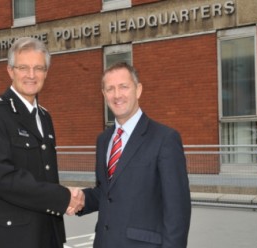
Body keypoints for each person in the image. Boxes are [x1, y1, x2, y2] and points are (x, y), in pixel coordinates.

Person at [0, 37, 84, 248]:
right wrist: (63, 197)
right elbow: (3, 178)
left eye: (38, 68)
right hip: (9, 239)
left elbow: (46, 175)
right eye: (23, 68)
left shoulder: (44, 117)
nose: (31, 75)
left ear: (46, 73)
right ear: (10, 71)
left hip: (47, 234)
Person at [79, 62, 191, 247]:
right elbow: (107, 193)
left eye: (124, 87)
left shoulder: (165, 139)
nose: (117, 95)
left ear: (138, 90)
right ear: (104, 94)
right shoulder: (104, 140)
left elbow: (177, 211)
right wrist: (79, 199)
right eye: (110, 89)